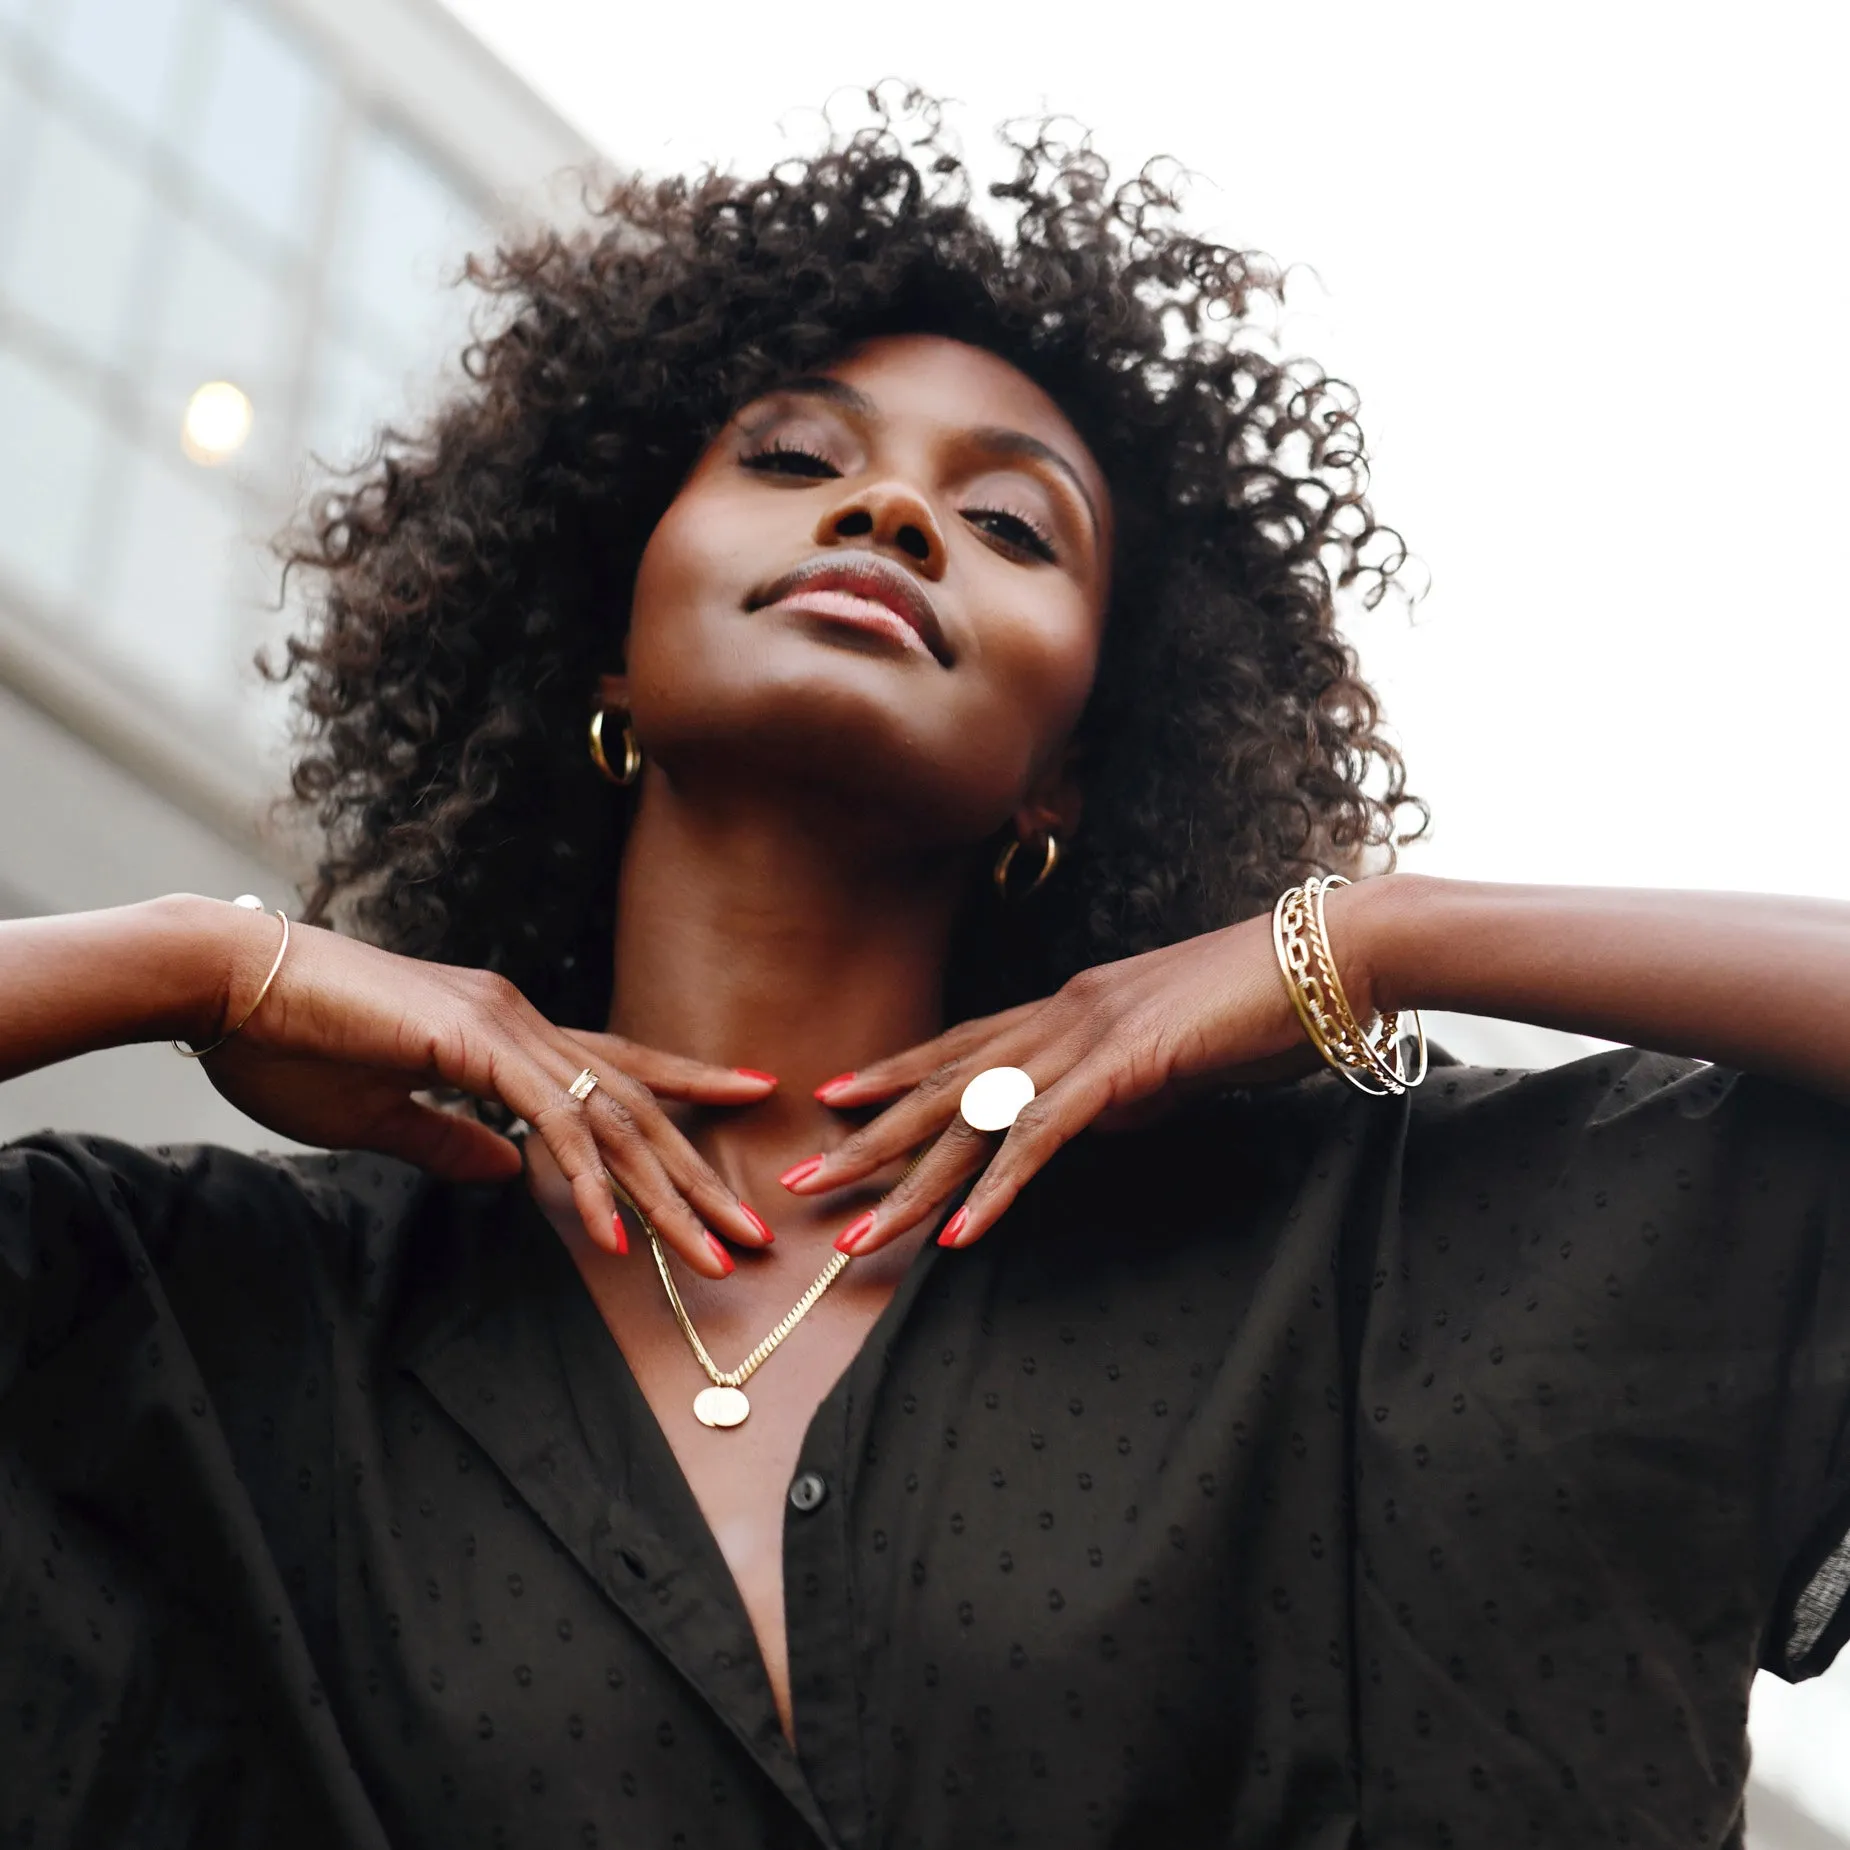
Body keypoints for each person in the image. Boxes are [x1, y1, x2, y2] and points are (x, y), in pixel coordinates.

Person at [1, 94, 1845, 1850]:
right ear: (605, 648)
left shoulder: (1363, 1257)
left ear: (1067, 769)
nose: (891, 517)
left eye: (1013, 523)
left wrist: (1375, 932)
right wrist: (190, 964)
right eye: (796, 459)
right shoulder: (195, 1313)